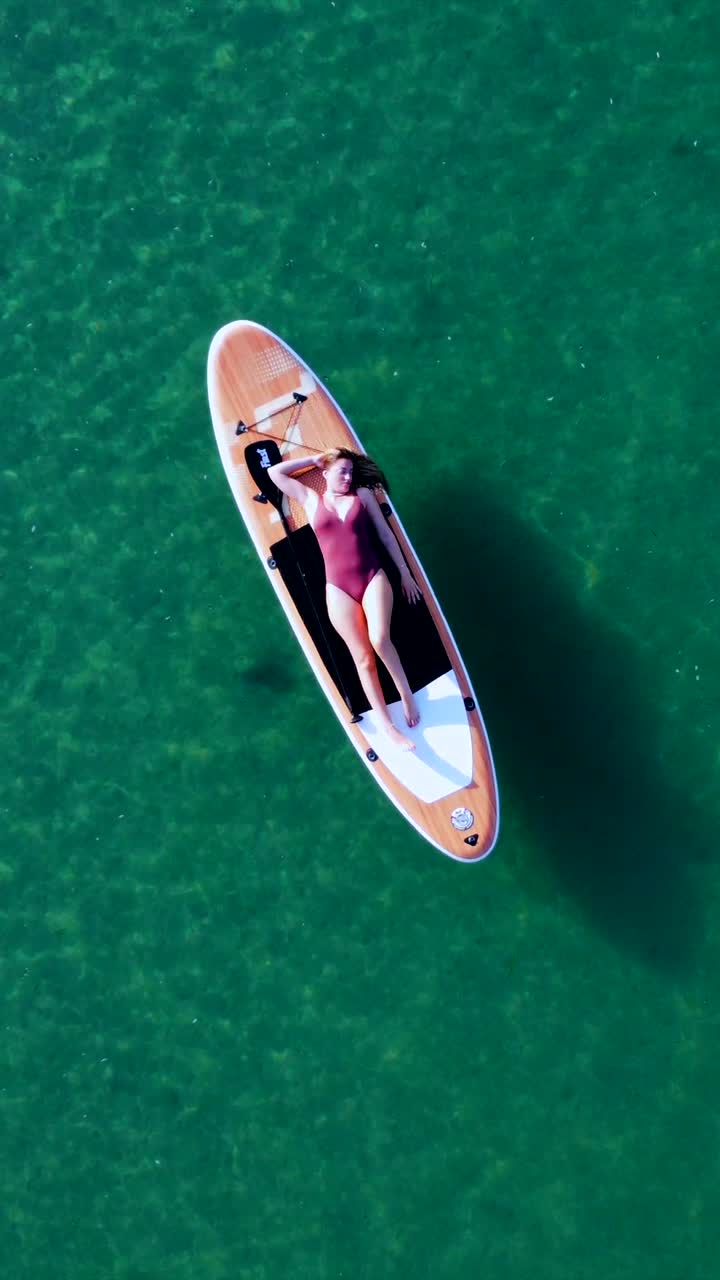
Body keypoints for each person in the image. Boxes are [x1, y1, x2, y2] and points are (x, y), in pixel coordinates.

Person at [267, 447, 422, 750]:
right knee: (363, 659)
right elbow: (274, 473)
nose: (349, 477)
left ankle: (406, 694)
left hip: (372, 577)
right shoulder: (311, 499)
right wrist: (312, 460)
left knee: (379, 639)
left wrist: (405, 573)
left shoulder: (362, 496)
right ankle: (389, 729)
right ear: (325, 474)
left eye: (351, 471)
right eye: (342, 471)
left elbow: (386, 535)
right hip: (337, 588)